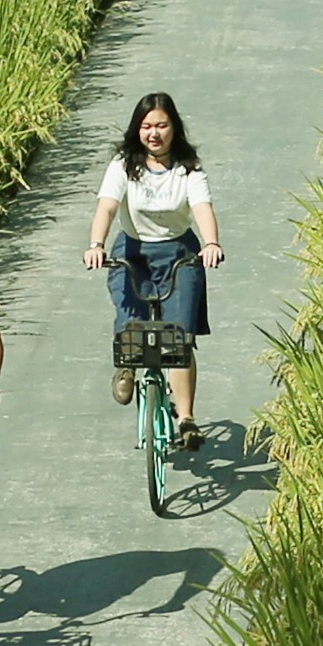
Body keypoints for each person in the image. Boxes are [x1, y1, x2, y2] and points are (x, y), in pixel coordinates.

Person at [82, 91, 221, 433]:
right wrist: (96, 244)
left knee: (179, 338)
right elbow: (108, 206)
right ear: (137, 129)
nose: (154, 134)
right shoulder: (123, 164)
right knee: (130, 319)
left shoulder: (189, 169)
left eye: (161, 125)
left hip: (179, 253)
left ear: (174, 128)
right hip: (134, 251)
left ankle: (186, 418)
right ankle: (127, 367)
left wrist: (211, 243)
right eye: (146, 126)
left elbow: (202, 208)